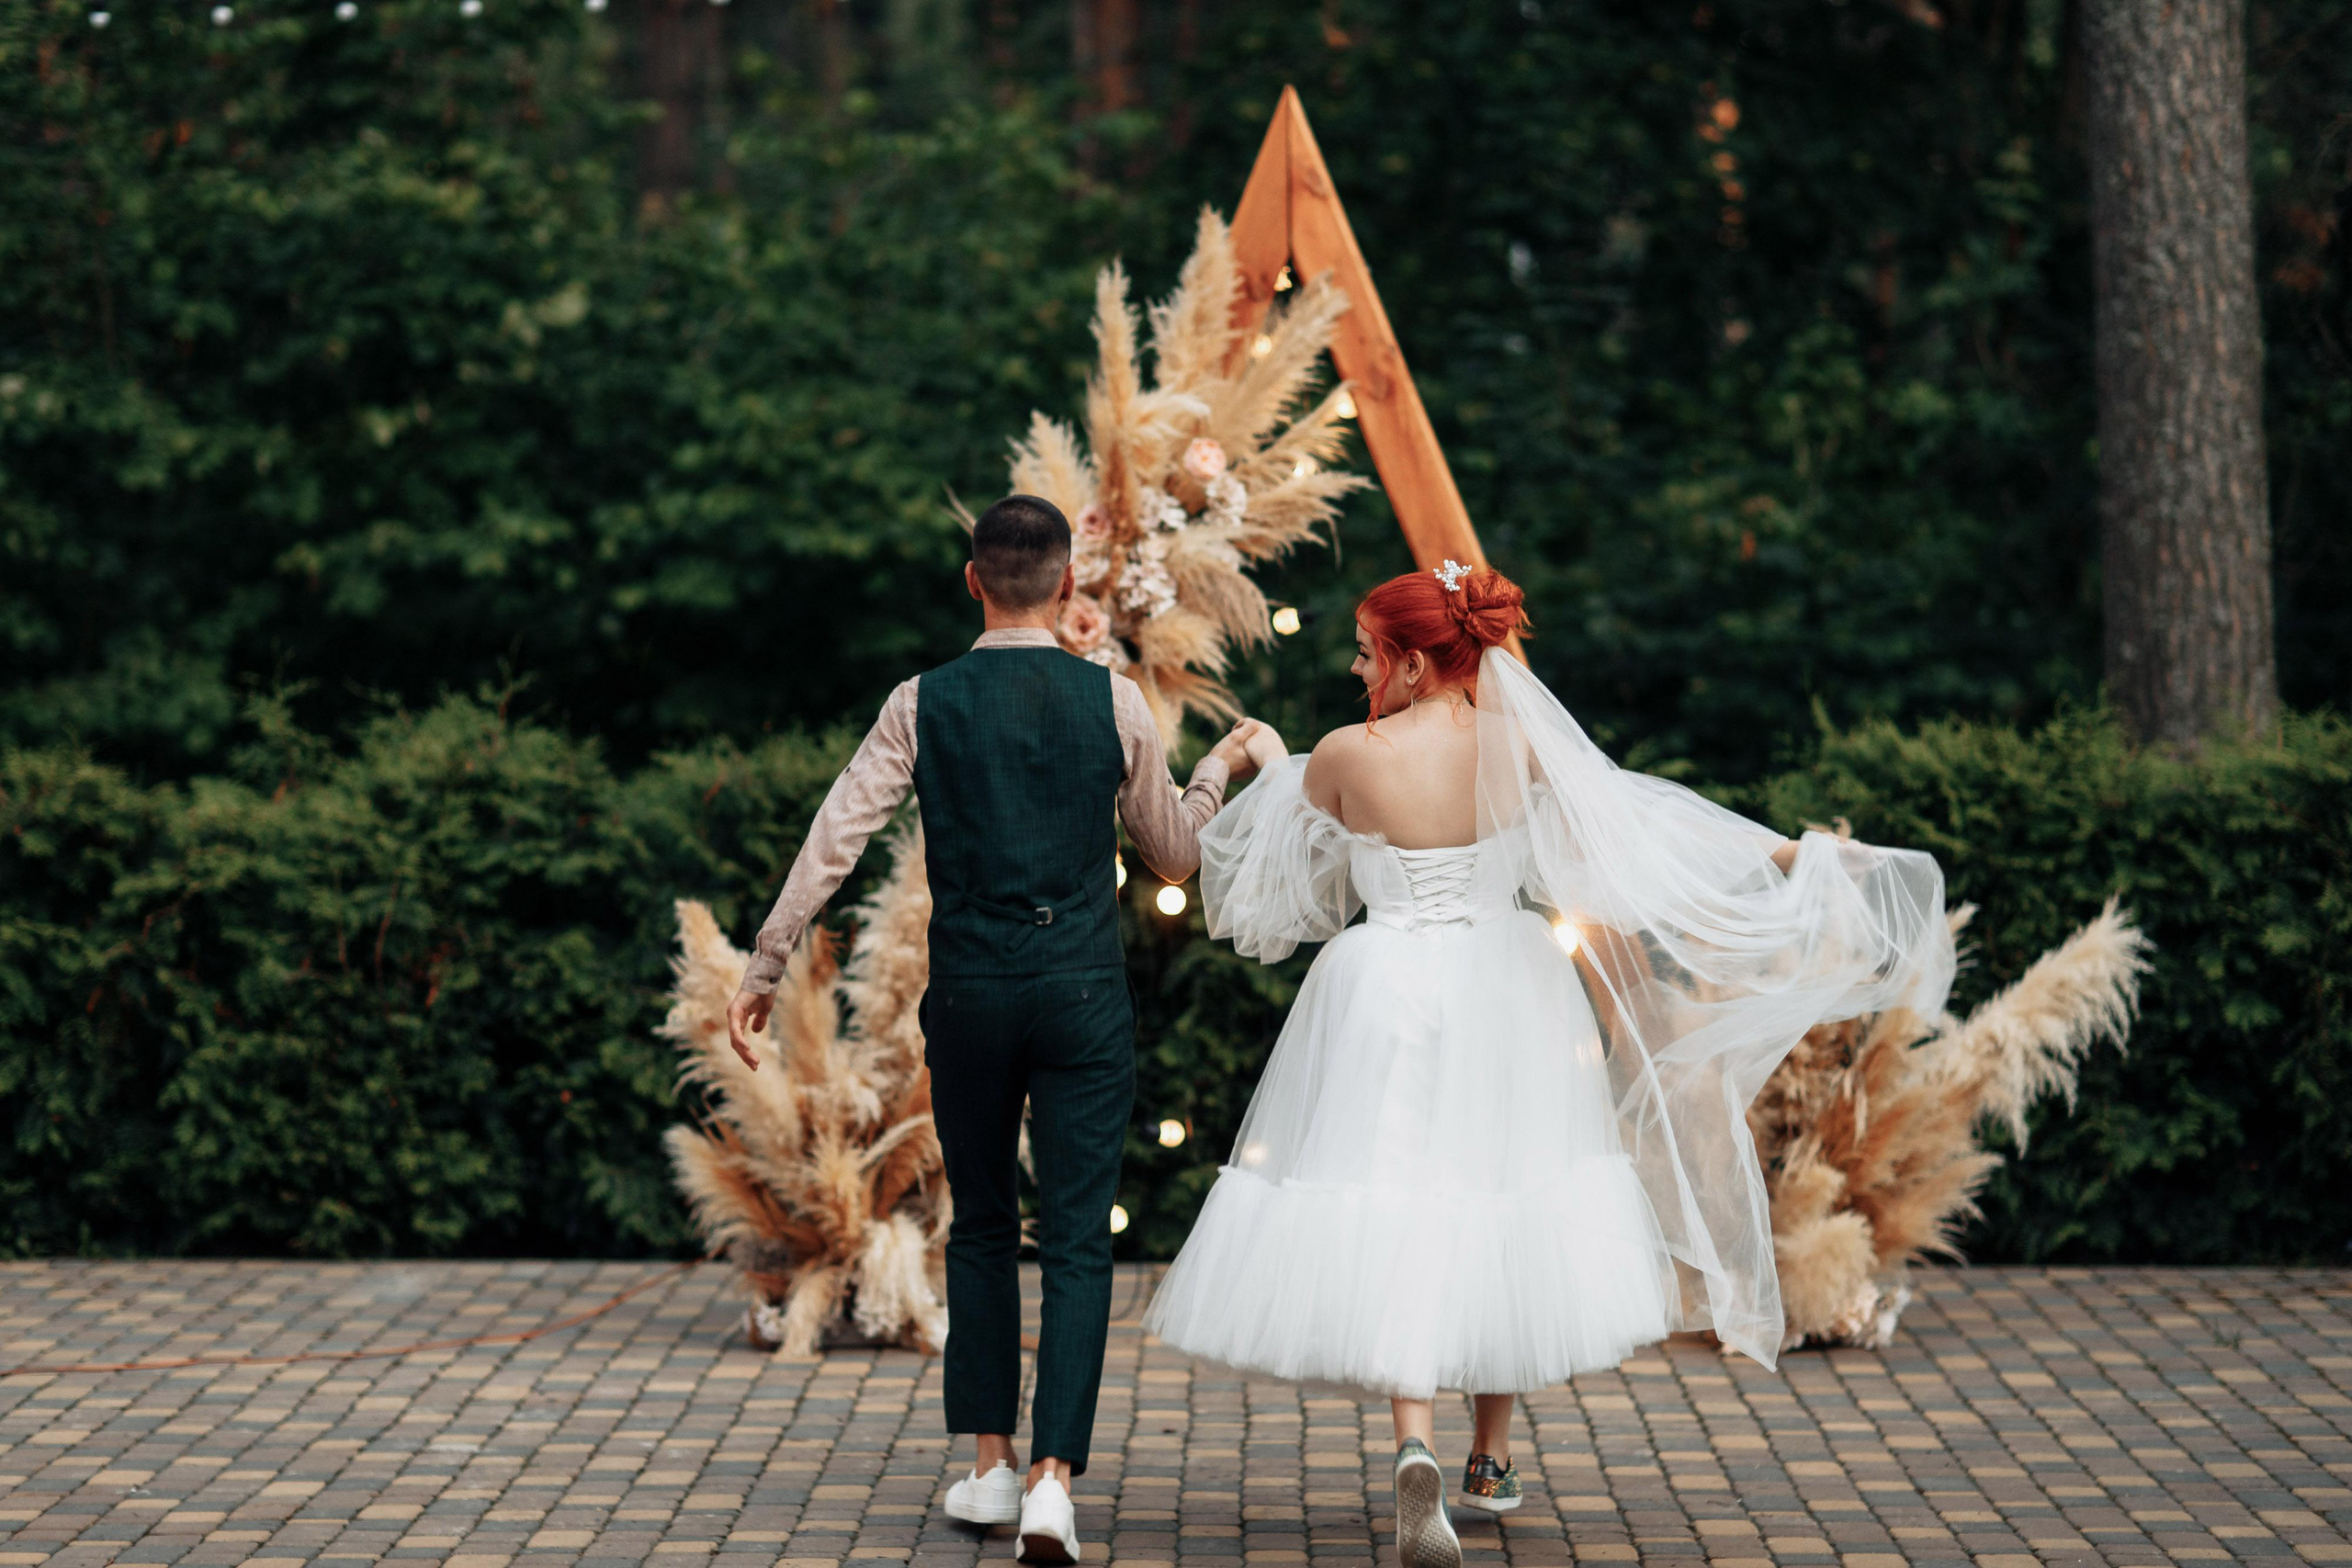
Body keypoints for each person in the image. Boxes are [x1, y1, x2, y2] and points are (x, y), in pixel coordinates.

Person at [1143, 562, 1952, 1568]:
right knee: (1506, 1188)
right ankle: (1490, 1458)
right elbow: (1643, 826)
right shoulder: (1519, 743)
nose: (1355, 671)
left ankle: (1412, 1444)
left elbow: (1281, 866)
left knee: (1399, 1194)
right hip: (1507, 982)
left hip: (1386, 988)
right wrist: (1795, 856)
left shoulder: (1347, 756)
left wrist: (1261, 760)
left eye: (1365, 653)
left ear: (1409, 663)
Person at [726, 494, 1277, 1564]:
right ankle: (1050, 1484)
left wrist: (767, 961)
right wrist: (1218, 770)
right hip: (1081, 996)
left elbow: (836, 835)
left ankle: (987, 1463)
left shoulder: (920, 701)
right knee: (1075, 1238)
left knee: (980, 1225)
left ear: (972, 581)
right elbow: (1173, 854)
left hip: (971, 995)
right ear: (1068, 586)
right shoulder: (1114, 700)